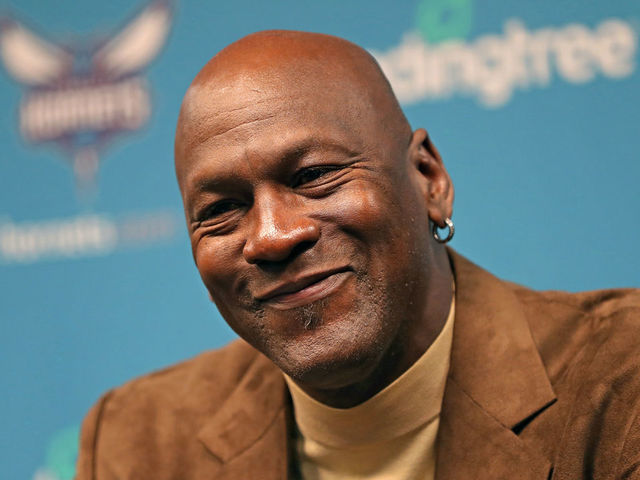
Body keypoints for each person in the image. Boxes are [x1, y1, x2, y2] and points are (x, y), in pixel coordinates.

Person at [75, 31, 640, 479]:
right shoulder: (135, 440)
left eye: (315, 175)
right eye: (223, 209)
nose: (271, 236)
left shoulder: (621, 378)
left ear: (428, 179)